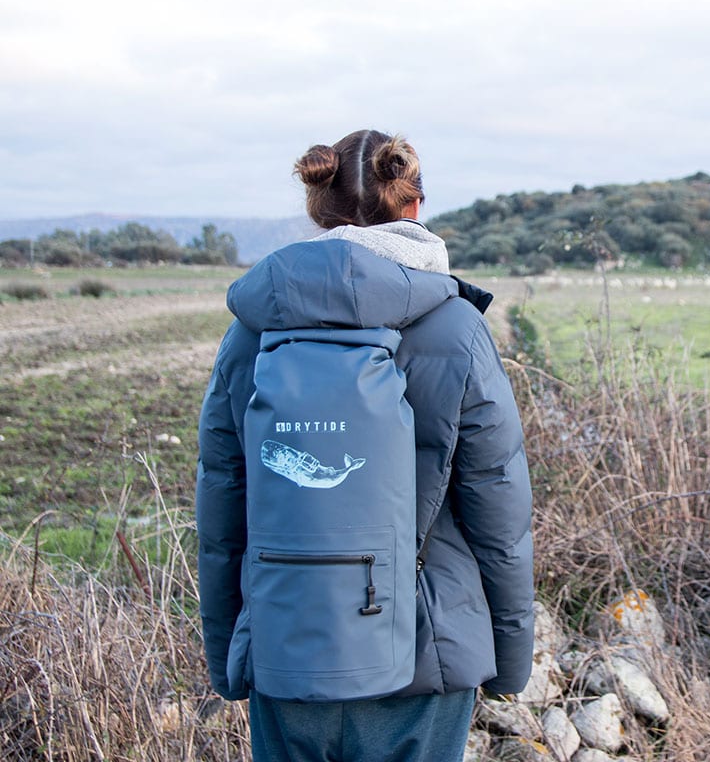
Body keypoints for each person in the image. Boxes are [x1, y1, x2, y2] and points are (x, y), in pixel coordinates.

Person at [196, 129, 534, 761]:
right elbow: (499, 511)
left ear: (318, 213)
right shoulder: (455, 326)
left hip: (285, 643)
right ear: (412, 207)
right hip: (424, 656)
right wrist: (510, 661)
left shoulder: (252, 331)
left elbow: (223, 510)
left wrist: (230, 655)